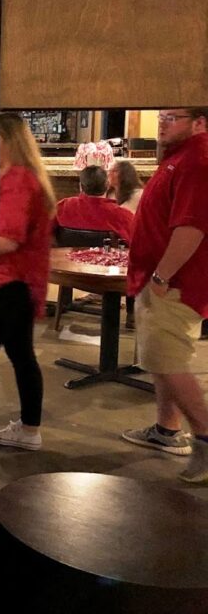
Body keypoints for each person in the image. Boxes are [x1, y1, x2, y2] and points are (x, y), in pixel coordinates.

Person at [120, 107, 208, 483]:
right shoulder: (180, 156)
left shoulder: (198, 160)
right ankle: (165, 430)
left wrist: (161, 276)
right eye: (162, 117)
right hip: (160, 280)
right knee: (160, 358)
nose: (161, 123)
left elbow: (192, 228)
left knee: (169, 361)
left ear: (200, 122)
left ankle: (205, 438)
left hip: (174, 284)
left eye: (173, 118)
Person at [0, 114, 56, 450]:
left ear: (7, 140)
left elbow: (7, 240)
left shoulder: (18, 180)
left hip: (10, 284)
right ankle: (29, 429)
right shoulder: (15, 176)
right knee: (21, 355)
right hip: (18, 283)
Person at [53, 165, 135, 244]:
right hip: (108, 254)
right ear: (107, 185)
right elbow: (136, 242)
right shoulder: (123, 215)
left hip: (67, 253)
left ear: (80, 186)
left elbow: (47, 233)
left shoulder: (63, 206)